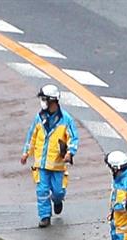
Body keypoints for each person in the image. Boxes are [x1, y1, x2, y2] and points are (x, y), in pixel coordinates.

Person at [21, 84, 77, 228]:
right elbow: (31, 136)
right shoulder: (39, 118)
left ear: (52, 101)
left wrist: (70, 153)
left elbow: (73, 138)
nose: (43, 102)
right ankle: (45, 216)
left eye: (45, 99)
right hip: (41, 164)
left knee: (58, 191)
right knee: (42, 190)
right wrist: (26, 153)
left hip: (57, 164)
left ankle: (57, 201)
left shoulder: (66, 120)